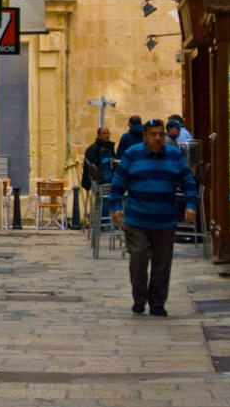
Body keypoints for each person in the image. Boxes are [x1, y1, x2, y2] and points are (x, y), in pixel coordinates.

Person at [109, 117, 198, 316]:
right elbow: (118, 184)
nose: (157, 138)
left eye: (160, 134)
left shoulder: (174, 156)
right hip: (137, 219)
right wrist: (115, 207)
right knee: (139, 257)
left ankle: (157, 303)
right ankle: (139, 298)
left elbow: (188, 181)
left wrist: (191, 204)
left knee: (162, 263)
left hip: (164, 219)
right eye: (153, 135)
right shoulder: (132, 155)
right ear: (145, 136)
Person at [82, 126, 116, 191]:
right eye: (104, 133)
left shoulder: (110, 147)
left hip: (110, 176)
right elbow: (92, 169)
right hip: (100, 180)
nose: (107, 135)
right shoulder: (93, 149)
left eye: (108, 133)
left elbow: (114, 161)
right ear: (99, 135)